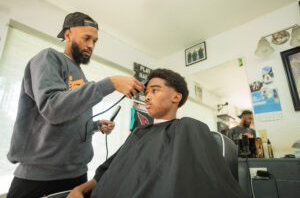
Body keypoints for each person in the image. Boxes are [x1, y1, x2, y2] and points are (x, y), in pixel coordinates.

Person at [6, 12, 144, 198]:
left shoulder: (81, 76)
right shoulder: (48, 58)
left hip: (77, 176)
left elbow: (70, 118)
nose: (91, 45)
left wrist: (95, 126)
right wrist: (110, 83)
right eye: (87, 38)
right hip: (38, 180)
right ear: (68, 34)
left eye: (95, 41)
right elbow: (53, 109)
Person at [67, 68, 246, 198]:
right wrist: (80, 189)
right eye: (146, 92)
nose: (147, 97)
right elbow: (107, 170)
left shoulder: (189, 128)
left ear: (176, 97)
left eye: (155, 90)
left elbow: (198, 182)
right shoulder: (138, 133)